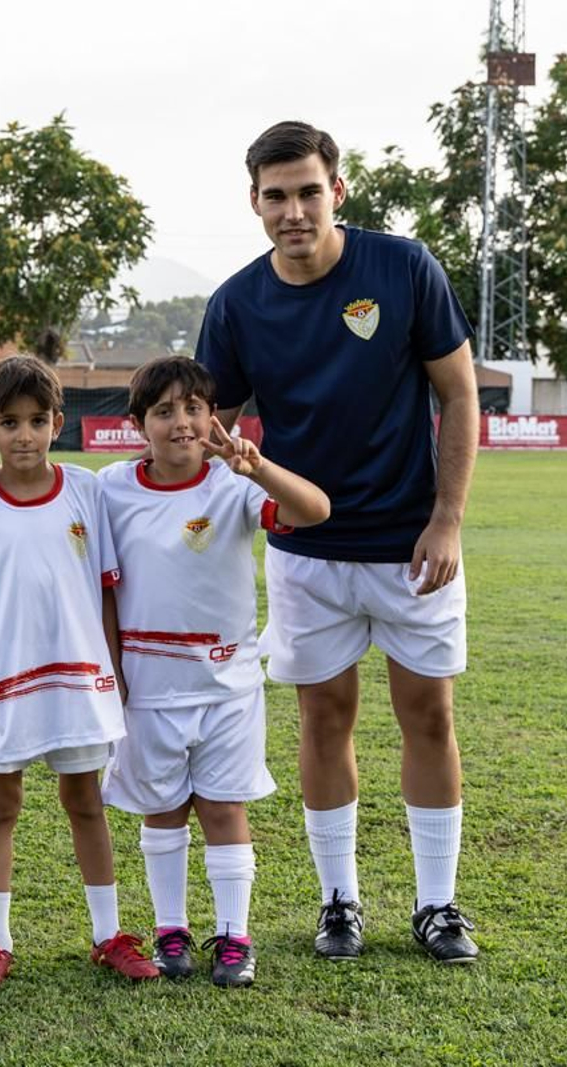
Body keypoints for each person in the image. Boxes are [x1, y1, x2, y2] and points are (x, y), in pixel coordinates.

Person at [195, 120, 481, 964]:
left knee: (427, 715)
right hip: (306, 555)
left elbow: (459, 397)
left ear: (338, 190)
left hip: (410, 546)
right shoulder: (237, 303)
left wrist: (448, 517)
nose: (293, 210)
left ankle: (436, 905)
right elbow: (205, 422)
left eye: (307, 191)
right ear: (254, 202)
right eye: (275, 195)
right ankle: (339, 902)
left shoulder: (402, 267)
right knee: (325, 717)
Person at [98, 356, 330, 987]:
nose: (182, 422)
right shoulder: (110, 487)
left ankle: (233, 935)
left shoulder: (234, 485)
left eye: (194, 408)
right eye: (165, 411)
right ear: (137, 424)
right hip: (146, 687)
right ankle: (170, 929)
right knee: (163, 808)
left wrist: (257, 467)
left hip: (228, 688)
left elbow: (315, 510)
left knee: (225, 808)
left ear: (213, 416)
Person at [0, 355, 157, 992]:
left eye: (38, 421)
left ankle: (107, 934)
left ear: (58, 423)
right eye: (9, 423)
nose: (24, 436)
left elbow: (108, 587)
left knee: (84, 801)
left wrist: (114, 670)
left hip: (79, 679)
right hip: (4, 680)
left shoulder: (87, 490)